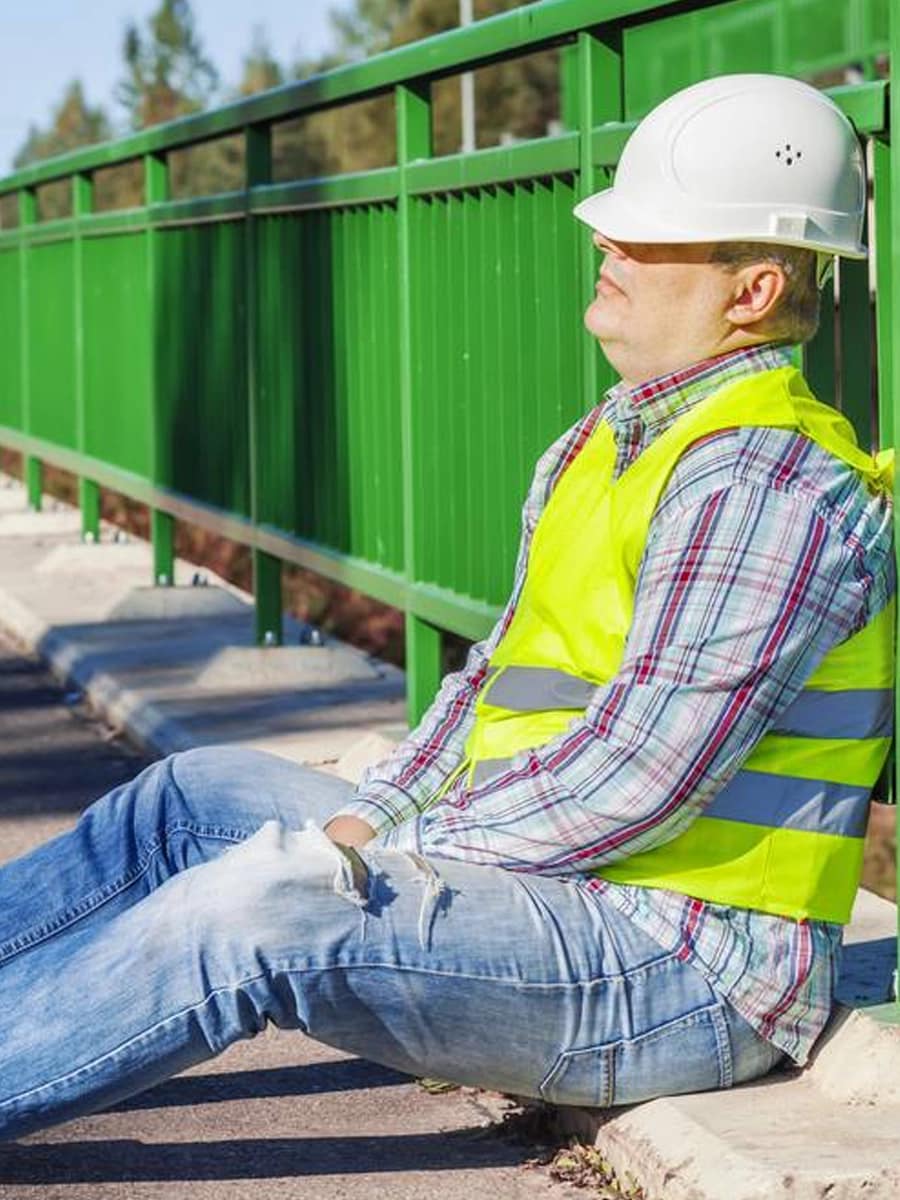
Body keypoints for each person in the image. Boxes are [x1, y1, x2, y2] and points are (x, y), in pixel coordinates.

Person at [0, 73, 893, 1140]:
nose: (605, 246)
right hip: (577, 895)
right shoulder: (611, 439)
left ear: (747, 291)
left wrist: (376, 861)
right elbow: (490, 685)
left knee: (259, 907)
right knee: (187, 800)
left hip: (681, 962)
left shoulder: (765, 483)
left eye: (649, 236)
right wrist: (373, 817)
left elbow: (640, 779)